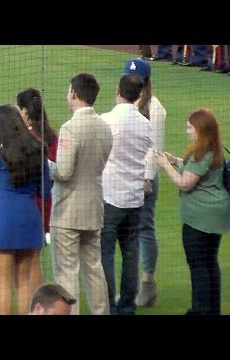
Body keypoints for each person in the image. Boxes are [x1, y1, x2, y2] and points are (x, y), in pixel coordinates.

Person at [0, 104, 51, 315]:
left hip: (5, 220)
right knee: (25, 282)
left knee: (4, 282)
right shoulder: (38, 149)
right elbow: (44, 192)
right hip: (30, 218)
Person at [49, 73, 113, 315]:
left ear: (74, 93)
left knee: (66, 272)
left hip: (68, 211)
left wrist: (43, 163)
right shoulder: (105, 127)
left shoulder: (70, 128)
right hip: (94, 206)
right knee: (94, 268)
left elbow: (63, 172)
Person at [155, 109, 230, 315]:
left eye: (190, 127)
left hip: (201, 219)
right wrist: (176, 161)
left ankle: (200, 310)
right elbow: (198, 170)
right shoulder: (213, 149)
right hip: (216, 216)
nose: (187, 131)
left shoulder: (201, 152)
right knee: (210, 262)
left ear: (201, 130)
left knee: (198, 265)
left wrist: (164, 165)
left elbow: (185, 183)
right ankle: (212, 309)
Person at [100, 74, 153, 315]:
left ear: (116, 91)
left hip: (110, 197)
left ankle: (109, 305)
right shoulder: (145, 124)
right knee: (131, 254)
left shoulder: (107, 120)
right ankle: (128, 307)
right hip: (134, 197)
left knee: (106, 253)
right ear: (139, 95)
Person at [122, 58, 167, 307]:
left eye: (135, 79)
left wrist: (147, 178)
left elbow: (155, 149)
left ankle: (147, 284)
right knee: (130, 232)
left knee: (144, 230)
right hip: (126, 175)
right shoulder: (130, 102)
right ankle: (135, 287)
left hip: (143, 179)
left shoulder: (155, 109)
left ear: (145, 81)